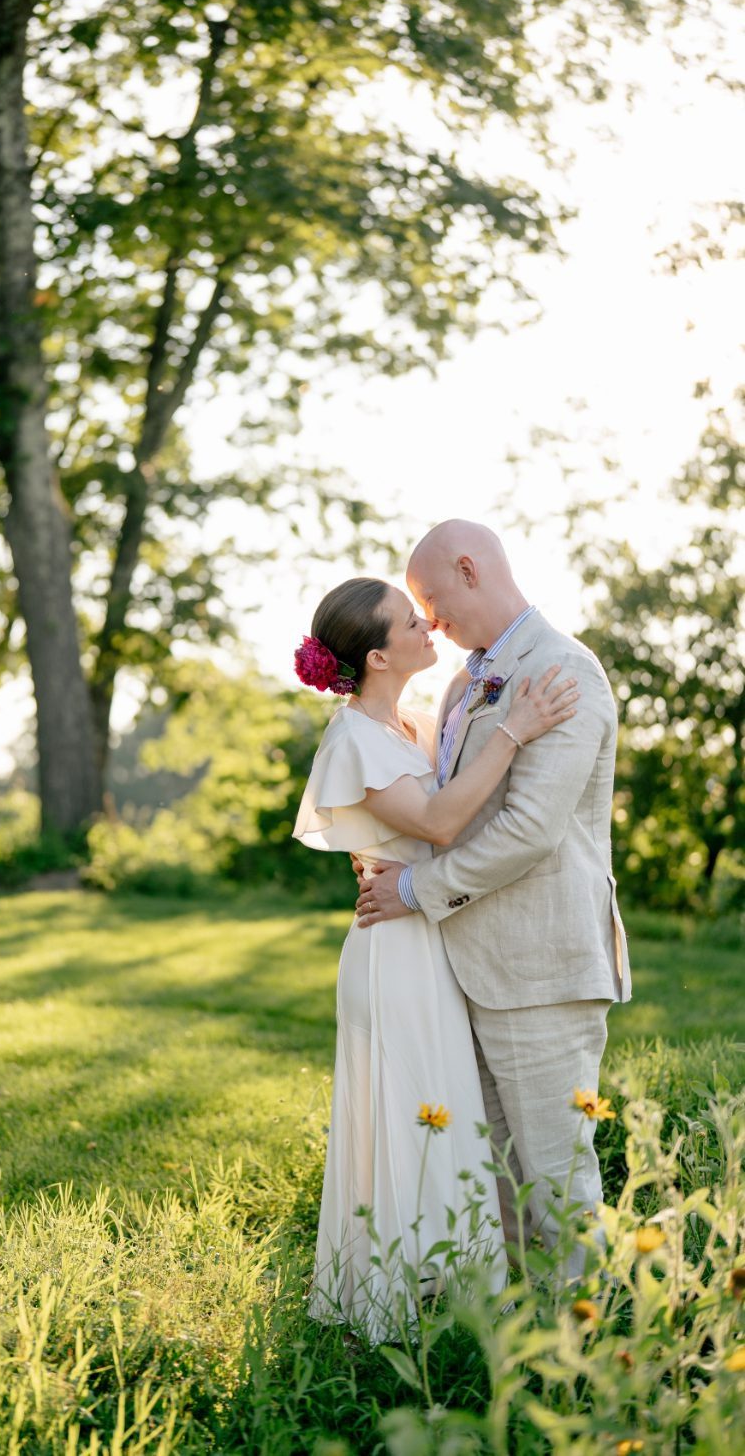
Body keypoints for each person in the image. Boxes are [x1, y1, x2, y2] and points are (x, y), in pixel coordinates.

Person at [292, 574, 580, 1342]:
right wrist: (518, 727)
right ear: (378, 658)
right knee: (409, 1114)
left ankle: (451, 1295)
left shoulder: (413, 725)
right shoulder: (353, 739)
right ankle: (392, 1308)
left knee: (443, 1115)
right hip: (393, 952)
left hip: (426, 934)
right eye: (409, 621)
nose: (429, 626)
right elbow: (442, 822)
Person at [354, 521, 631, 1281]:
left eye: (433, 600)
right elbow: (444, 800)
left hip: (542, 969)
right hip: (467, 968)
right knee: (498, 1189)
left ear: (470, 570)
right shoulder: (464, 679)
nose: (431, 620)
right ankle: (518, 1360)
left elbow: (531, 829)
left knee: (557, 1190)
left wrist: (413, 889)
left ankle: (594, 1362)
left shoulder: (563, 669)